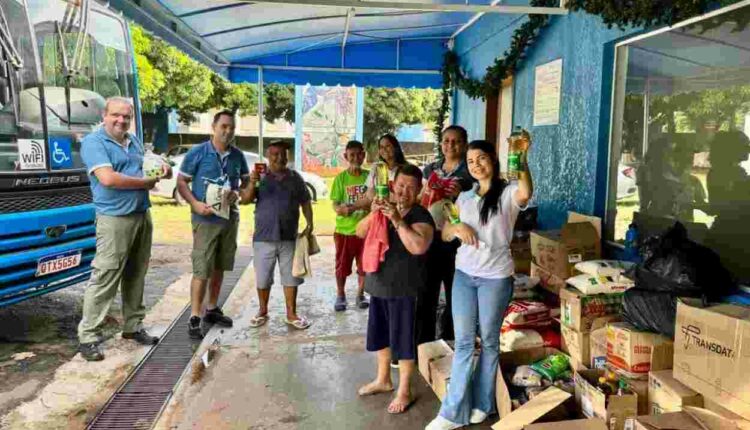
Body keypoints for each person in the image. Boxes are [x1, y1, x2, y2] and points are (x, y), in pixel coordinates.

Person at [426, 139, 533, 430]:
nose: (476, 165)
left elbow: (526, 192)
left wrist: (522, 160)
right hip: (463, 275)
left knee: (487, 342)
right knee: (462, 342)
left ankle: (483, 405)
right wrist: (456, 227)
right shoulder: (464, 198)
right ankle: (451, 413)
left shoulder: (508, 193)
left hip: (495, 278)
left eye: (481, 158)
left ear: (494, 160)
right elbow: (446, 233)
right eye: (471, 161)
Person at [77, 97, 172, 361]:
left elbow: (145, 166)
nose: (121, 121)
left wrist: (161, 169)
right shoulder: (94, 143)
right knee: (105, 275)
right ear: (105, 116)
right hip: (114, 219)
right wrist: (145, 182)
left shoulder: (134, 140)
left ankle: (132, 326)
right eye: (116, 115)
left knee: (136, 274)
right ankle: (88, 336)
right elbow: (107, 178)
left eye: (126, 117)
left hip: (141, 215)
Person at [356, 164, 435, 414]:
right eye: (401, 185)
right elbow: (359, 232)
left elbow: (418, 247)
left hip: (406, 288)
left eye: (411, 188)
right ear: (392, 185)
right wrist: (374, 214)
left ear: (419, 190)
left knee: (404, 341)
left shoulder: (422, 215)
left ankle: (405, 389)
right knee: (381, 336)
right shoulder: (382, 207)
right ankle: (383, 380)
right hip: (379, 283)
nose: (404, 191)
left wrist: (397, 219)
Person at [176, 110, 250, 340]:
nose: (228, 131)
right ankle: (195, 316)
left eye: (231, 127)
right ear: (214, 127)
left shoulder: (238, 156)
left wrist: (237, 193)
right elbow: (182, 182)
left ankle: (212, 308)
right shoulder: (198, 153)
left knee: (220, 265)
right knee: (202, 268)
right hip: (205, 220)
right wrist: (195, 204)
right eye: (224, 126)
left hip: (229, 219)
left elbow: (245, 184)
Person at [243, 140, 314, 330]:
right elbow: (245, 199)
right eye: (275, 154)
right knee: (263, 277)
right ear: (268, 155)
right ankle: (263, 311)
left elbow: (305, 202)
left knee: (291, 277)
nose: (279, 158)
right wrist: (252, 182)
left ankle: (291, 314)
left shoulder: (295, 178)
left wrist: (310, 224)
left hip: (289, 236)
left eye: (283, 154)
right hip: (263, 237)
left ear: (288, 157)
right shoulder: (260, 176)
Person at [419, 125, 474, 343]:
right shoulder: (430, 169)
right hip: (430, 237)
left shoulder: (470, 171)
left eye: (457, 141)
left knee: (455, 293)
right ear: (441, 143)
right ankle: (423, 342)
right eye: (447, 141)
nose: (451, 145)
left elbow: (479, 199)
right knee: (426, 291)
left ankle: (450, 340)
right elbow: (421, 197)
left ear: (465, 144)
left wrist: (463, 193)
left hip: (457, 241)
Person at [330, 140, 371, 311]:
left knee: (364, 266)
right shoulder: (340, 178)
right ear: (346, 156)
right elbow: (335, 203)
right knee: (342, 266)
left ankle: (360, 294)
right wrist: (340, 209)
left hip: (366, 231)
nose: (355, 157)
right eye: (351, 155)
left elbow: (372, 201)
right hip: (344, 232)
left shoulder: (369, 177)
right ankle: (341, 295)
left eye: (359, 154)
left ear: (364, 155)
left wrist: (357, 206)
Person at [363, 134, 407, 206]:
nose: (384, 149)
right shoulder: (376, 167)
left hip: (398, 213)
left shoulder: (405, 169)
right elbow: (369, 195)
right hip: (379, 211)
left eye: (387, 146)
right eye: (381, 147)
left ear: (395, 147)